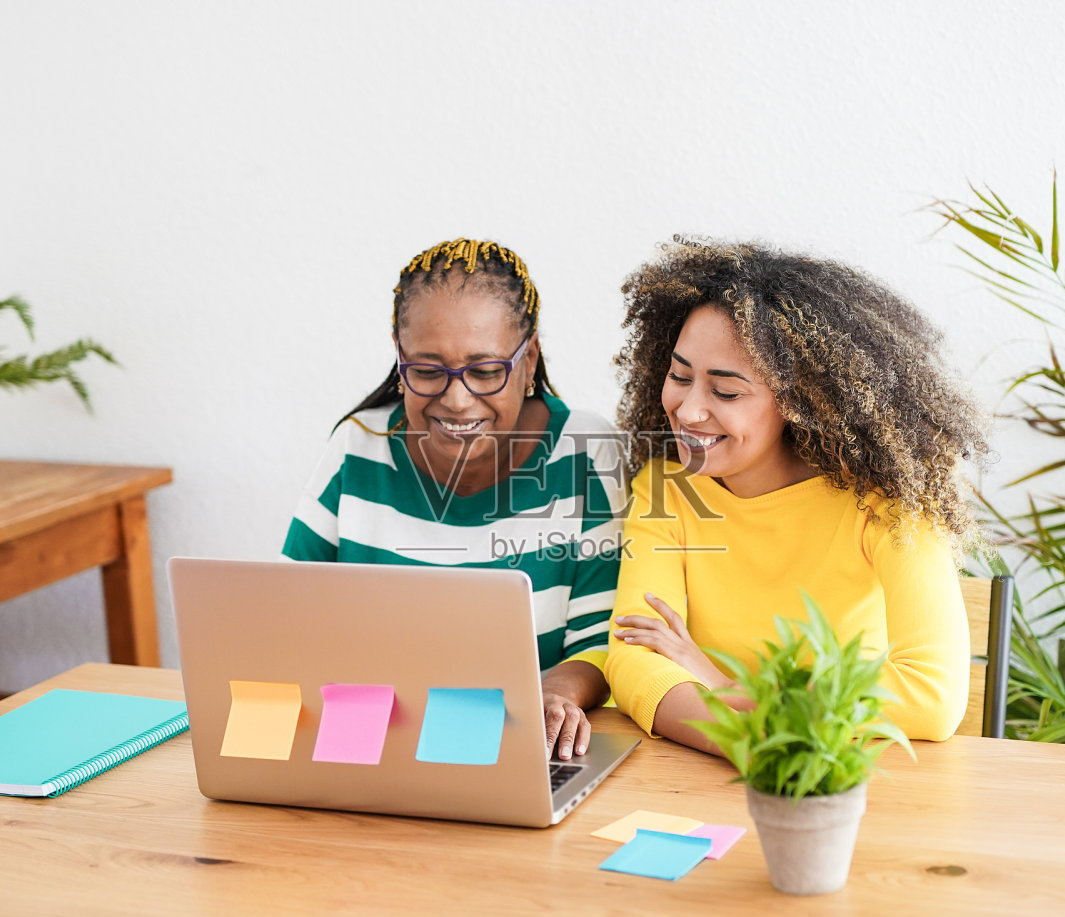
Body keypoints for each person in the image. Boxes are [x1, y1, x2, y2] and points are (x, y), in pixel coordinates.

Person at [603, 237, 989, 753]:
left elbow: (931, 696)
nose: (689, 409)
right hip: (705, 775)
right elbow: (633, 659)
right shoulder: (666, 487)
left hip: (840, 783)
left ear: (799, 402)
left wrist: (722, 688)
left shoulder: (888, 504)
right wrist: (755, 740)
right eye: (679, 375)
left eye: (726, 391)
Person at [283, 238, 624, 760]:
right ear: (400, 359)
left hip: (513, 742)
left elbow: (600, 642)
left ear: (528, 358)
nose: (457, 399)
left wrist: (556, 694)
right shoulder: (357, 448)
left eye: (486, 371)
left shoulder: (587, 453)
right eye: (426, 370)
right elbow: (286, 619)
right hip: (364, 742)